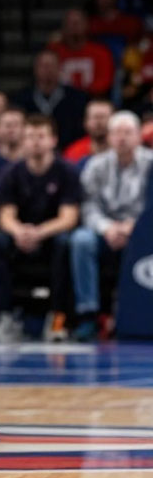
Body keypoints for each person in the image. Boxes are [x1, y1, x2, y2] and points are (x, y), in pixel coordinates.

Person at [0, 115, 79, 344]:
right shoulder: (11, 173)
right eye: (30, 137)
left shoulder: (67, 171)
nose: (35, 142)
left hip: (51, 236)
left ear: (53, 140)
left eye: (41, 136)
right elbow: (5, 215)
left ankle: (57, 320)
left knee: (66, 244)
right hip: (20, 237)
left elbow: (69, 218)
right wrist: (19, 232)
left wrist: (39, 232)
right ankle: (4, 318)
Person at [67, 110, 153, 342]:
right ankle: (88, 314)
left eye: (128, 132)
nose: (122, 138)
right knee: (80, 240)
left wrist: (134, 227)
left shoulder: (151, 163)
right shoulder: (95, 165)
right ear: (109, 136)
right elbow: (87, 206)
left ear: (138, 136)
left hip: (142, 231)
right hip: (104, 230)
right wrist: (107, 228)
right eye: (117, 132)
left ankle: (138, 316)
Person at [62, 98, 113, 169]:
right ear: (85, 122)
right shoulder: (73, 153)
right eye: (95, 117)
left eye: (103, 117)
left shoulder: (124, 152)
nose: (99, 123)